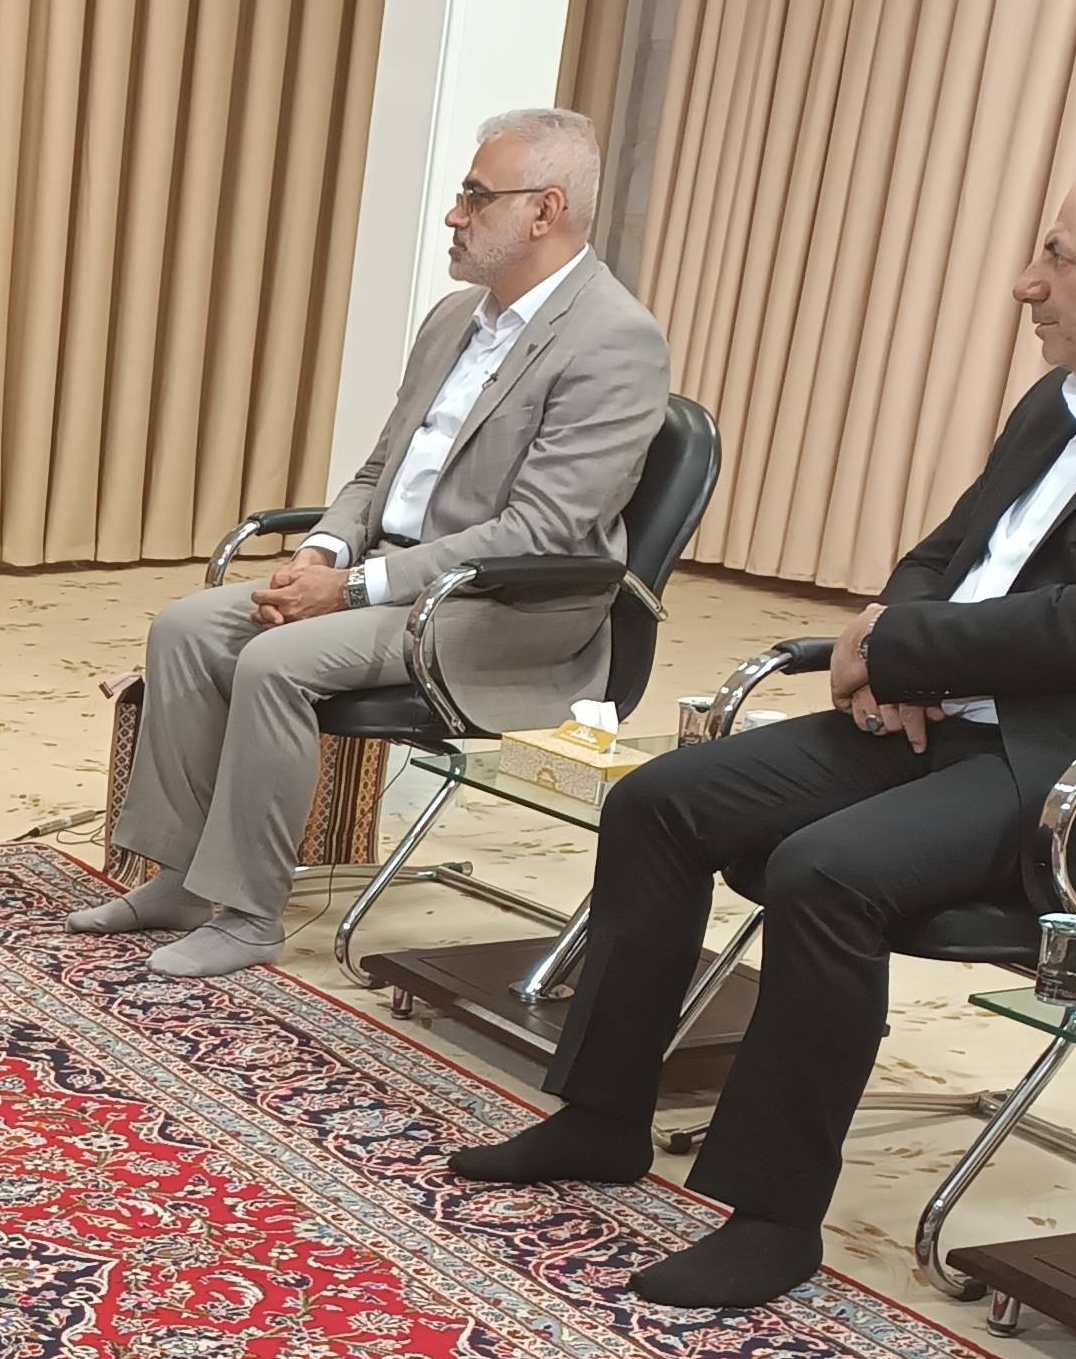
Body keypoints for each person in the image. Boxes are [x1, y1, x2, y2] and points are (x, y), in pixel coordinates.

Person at [458, 125, 1076, 1311]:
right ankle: (601, 1115)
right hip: (962, 723)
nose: (1027, 284)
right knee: (660, 802)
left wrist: (895, 648)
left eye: (1057, 256)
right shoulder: (1066, 393)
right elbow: (948, 553)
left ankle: (772, 1216)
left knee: (825, 871)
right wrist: (896, 634)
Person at [70, 108, 671, 976]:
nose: (454, 215)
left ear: (545, 210)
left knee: (278, 661)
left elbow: (539, 530)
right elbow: (380, 470)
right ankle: (183, 880)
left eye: (476, 197)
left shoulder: (614, 339)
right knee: (187, 629)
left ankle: (250, 915)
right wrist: (325, 552)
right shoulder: (454, 319)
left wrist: (351, 590)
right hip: (395, 581)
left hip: (507, 608)